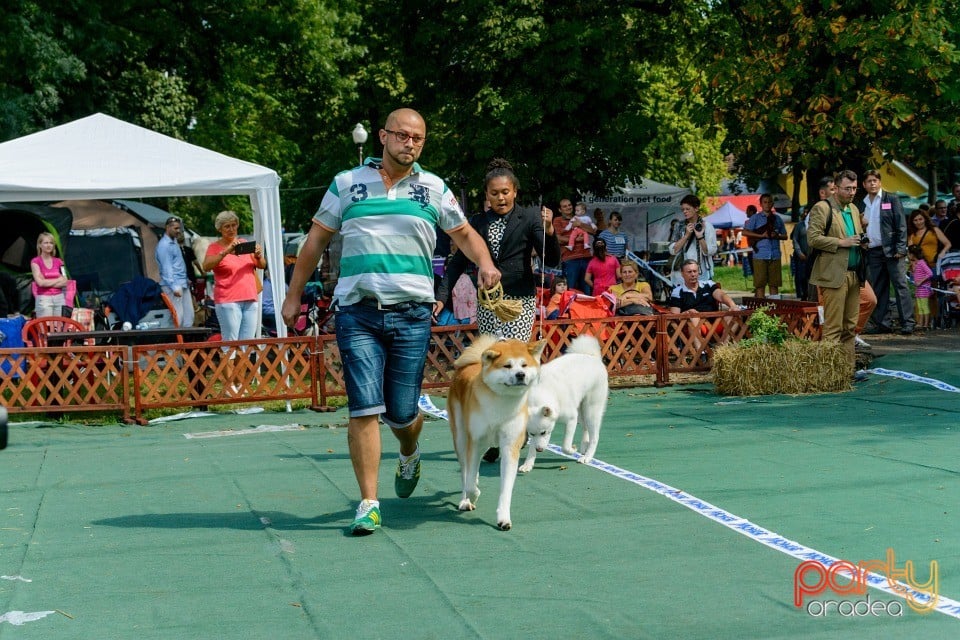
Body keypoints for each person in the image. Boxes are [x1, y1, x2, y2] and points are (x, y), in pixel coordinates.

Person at [280, 108, 500, 536]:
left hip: (413, 313)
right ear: (382, 137)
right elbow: (315, 242)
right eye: (402, 135)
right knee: (364, 407)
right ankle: (368, 502)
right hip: (357, 311)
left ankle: (409, 449)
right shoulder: (346, 184)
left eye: (418, 138)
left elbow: (465, 234)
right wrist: (292, 295)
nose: (410, 143)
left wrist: (486, 263)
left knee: (402, 411)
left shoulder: (434, 188)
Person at [437, 158, 559, 340]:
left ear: (515, 192)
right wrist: (441, 297)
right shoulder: (477, 222)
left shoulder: (530, 217)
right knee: (493, 360)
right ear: (486, 194)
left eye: (505, 192)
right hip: (487, 302)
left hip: (520, 301)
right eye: (494, 193)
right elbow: (458, 263)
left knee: (513, 358)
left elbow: (550, 260)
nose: (500, 198)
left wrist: (549, 231)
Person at [808, 170, 867, 379]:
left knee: (850, 327)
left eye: (854, 188)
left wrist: (863, 241)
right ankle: (828, 373)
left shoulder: (853, 208)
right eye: (847, 188)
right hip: (833, 275)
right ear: (836, 187)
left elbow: (856, 237)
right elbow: (813, 239)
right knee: (833, 327)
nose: (851, 192)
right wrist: (840, 242)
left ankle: (847, 370)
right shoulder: (822, 208)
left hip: (854, 274)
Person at [857, 169, 914, 335]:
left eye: (875, 180)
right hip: (873, 251)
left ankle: (908, 323)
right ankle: (883, 324)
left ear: (880, 182)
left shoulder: (891, 199)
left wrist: (901, 248)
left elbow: (901, 225)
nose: (872, 183)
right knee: (878, 288)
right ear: (864, 185)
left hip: (892, 251)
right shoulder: (862, 203)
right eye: (869, 181)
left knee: (900, 286)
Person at [668, 259, 738, 356]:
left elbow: (721, 295)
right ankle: (700, 353)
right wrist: (686, 313)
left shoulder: (708, 284)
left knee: (733, 315)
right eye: (689, 272)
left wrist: (732, 305)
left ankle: (722, 350)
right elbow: (674, 316)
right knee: (694, 317)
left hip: (715, 324)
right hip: (693, 326)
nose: (693, 274)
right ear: (682, 274)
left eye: (695, 271)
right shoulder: (677, 291)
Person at [742, 193, 788, 298]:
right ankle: (761, 311)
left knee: (774, 284)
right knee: (760, 285)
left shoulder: (777, 219)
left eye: (769, 202)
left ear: (772, 203)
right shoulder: (755, 218)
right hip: (760, 254)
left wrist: (777, 236)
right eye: (765, 202)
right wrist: (761, 235)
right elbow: (745, 232)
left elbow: (785, 236)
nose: (767, 204)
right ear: (761, 204)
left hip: (774, 254)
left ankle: (774, 310)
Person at [668, 194, 718, 285]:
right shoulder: (679, 226)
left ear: (696, 208)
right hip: (681, 273)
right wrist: (686, 236)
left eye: (688, 209)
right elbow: (673, 250)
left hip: (702, 271)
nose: (685, 212)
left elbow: (710, 251)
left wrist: (700, 237)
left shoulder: (707, 226)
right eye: (683, 209)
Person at [156, 216, 195, 328]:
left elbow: (178, 264)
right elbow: (166, 268)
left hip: (182, 282)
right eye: (175, 228)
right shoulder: (164, 245)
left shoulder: (175, 242)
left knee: (189, 316)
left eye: (179, 228)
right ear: (167, 228)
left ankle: (186, 342)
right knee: (178, 316)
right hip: (172, 285)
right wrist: (174, 287)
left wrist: (186, 279)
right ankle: (175, 342)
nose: (178, 231)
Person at [554, 198, 596, 293]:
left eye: (569, 205)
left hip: (586, 257)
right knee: (569, 289)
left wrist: (580, 224)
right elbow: (558, 239)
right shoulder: (558, 220)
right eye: (565, 206)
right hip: (570, 259)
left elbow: (593, 231)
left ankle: (586, 308)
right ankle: (569, 308)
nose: (568, 207)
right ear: (560, 210)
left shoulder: (580, 217)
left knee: (586, 289)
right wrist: (576, 240)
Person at [30, 232, 69, 317]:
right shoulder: (35, 261)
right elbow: (40, 283)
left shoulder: (59, 261)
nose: (49, 245)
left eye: (51, 243)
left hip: (59, 298)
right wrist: (58, 279)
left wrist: (46, 281)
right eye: (46, 243)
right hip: (44, 299)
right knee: (46, 327)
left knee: (59, 327)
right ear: (40, 245)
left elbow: (65, 281)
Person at [907, 245, 934, 331]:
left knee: (924, 307)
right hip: (918, 290)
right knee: (920, 307)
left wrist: (921, 281)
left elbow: (930, 273)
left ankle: (926, 325)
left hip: (924, 289)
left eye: (909, 254)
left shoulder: (922, 262)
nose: (908, 255)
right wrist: (912, 268)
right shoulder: (915, 263)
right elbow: (913, 275)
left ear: (913, 254)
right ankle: (920, 324)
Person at [791, 206, 811, 300]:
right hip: (801, 257)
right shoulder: (799, 225)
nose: (806, 214)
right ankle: (802, 295)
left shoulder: (815, 225)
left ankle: (810, 295)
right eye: (805, 212)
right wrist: (799, 253)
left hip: (812, 256)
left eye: (808, 212)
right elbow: (795, 240)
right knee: (801, 277)